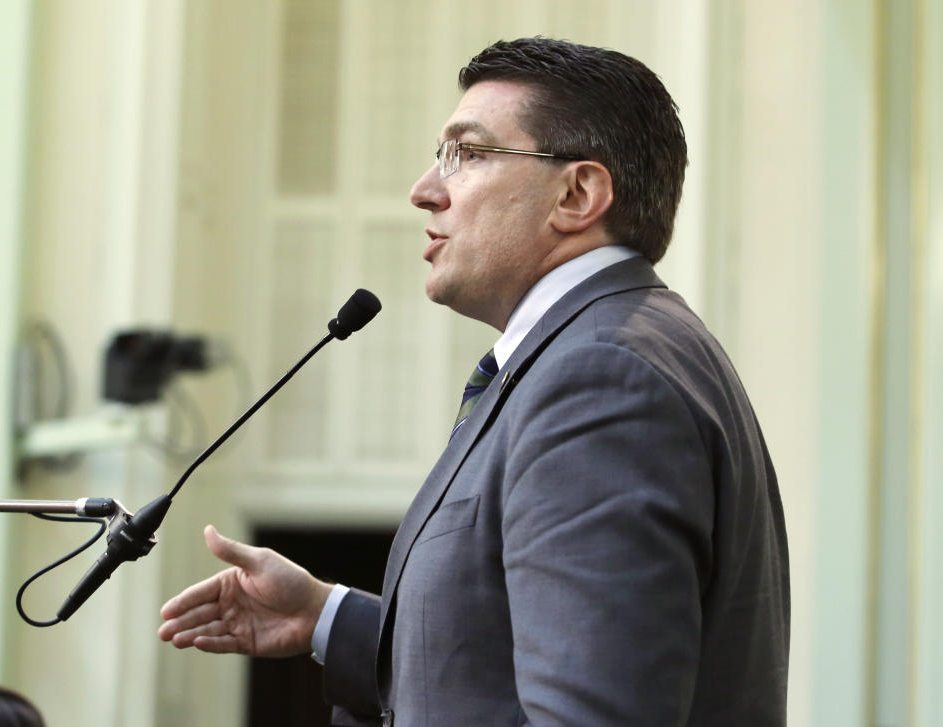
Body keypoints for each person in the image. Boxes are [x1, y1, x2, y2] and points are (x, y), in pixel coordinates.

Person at [159, 37, 790, 726]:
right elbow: (504, 670)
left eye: (468, 153)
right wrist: (325, 617)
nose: (425, 189)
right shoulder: (610, 349)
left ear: (577, 193)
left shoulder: (601, 377)